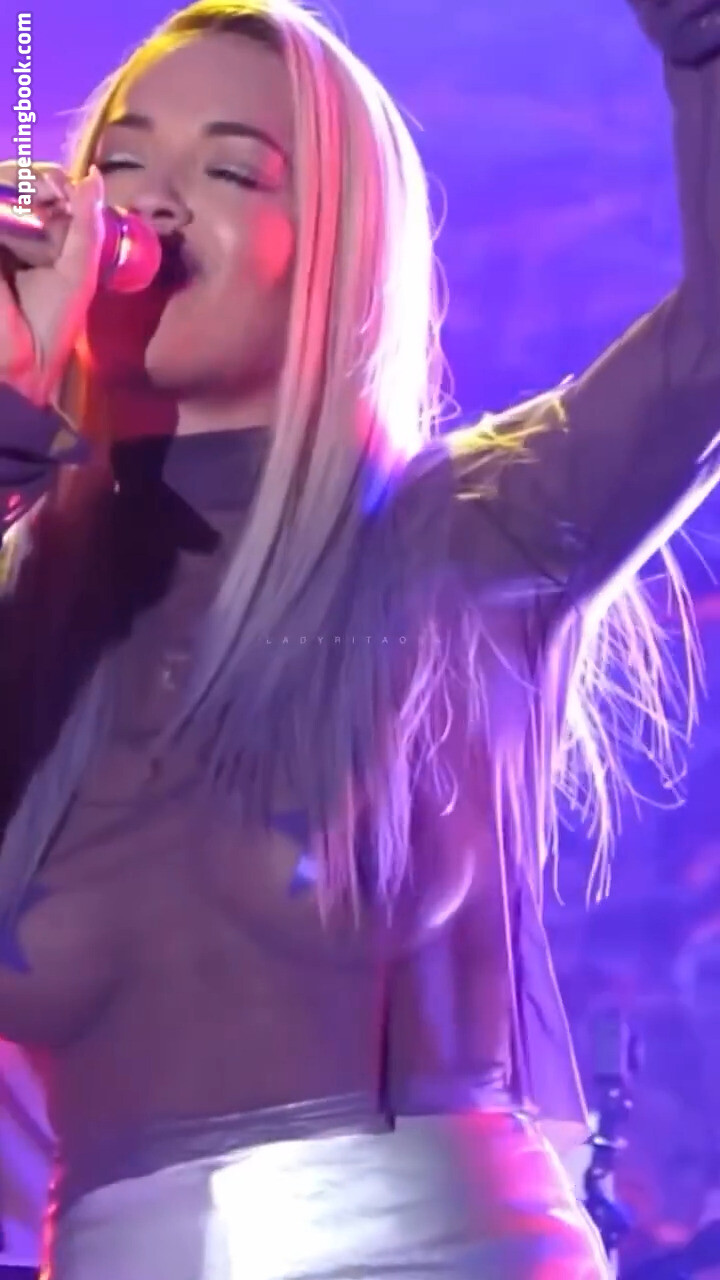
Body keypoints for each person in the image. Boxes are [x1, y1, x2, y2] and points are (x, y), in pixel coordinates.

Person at [0, 0, 719, 1275]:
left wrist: (704, 49)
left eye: (231, 171)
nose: (150, 204)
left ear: (337, 248)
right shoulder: (22, 612)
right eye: (120, 160)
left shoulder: (463, 530)